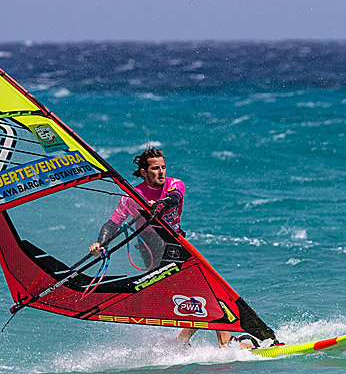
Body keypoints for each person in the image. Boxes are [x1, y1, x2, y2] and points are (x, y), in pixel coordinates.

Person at [89, 147, 249, 349]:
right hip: (152, 250)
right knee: (203, 289)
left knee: (206, 288)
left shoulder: (175, 185)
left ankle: (196, 340)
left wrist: (159, 204)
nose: (161, 172)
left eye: (163, 167)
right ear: (144, 172)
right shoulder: (133, 197)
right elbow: (112, 224)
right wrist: (100, 244)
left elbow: (174, 199)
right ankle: (216, 342)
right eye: (155, 168)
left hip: (175, 244)